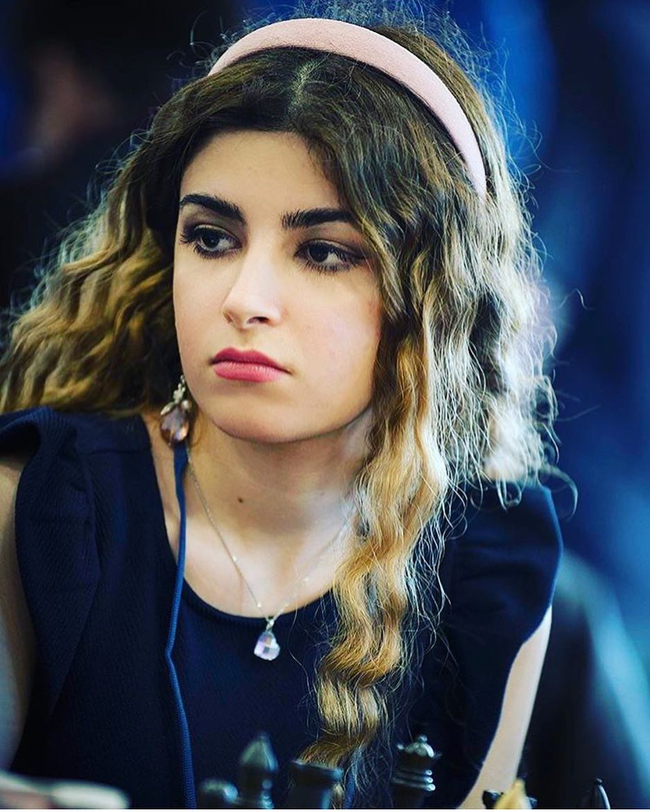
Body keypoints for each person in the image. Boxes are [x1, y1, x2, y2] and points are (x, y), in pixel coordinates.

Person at [0, 5, 563, 808]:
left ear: (431, 299)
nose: (244, 298)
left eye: (323, 253)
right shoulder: (40, 506)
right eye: (211, 238)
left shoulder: (490, 568)